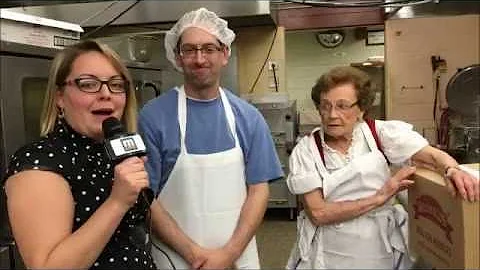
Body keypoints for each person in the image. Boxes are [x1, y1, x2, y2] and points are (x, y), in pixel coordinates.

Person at [285, 66, 479, 269]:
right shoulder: (306, 150)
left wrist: (452, 169)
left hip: (377, 246)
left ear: (361, 109)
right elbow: (319, 214)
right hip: (330, 251)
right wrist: (380, 197)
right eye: (325, 106)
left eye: (343, 106)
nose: (332, 114)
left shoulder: (379, 133)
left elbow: (430, 155)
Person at [138, 7, 283, 269]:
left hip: (237, 257)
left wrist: (228, 254)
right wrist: (194, 255)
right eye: (190, 50)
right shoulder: (153, 117)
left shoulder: (248, 117)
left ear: (224, 53)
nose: (199, 58)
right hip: (176, 258)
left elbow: (259, 191)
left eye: (208, 49)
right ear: (178, 57)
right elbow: (146, 198)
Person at [2, 40, 156, 269]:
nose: (106, 94)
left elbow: (146, 204)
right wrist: (117, 202)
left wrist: (193, 251)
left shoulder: (112, 149)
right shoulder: (38, 163)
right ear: (59, 97)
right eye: (88, 84)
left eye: (116, 85)